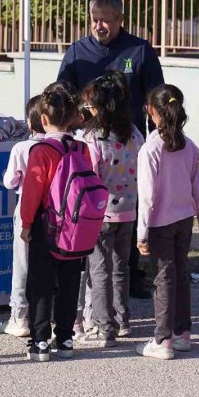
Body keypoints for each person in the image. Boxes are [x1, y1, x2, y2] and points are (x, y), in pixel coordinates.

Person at [57, 0, 165, 299]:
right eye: (94, 19)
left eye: (105, 19)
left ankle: (130, 275)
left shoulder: (139, 51)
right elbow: (62, 92)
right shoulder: (78, 52)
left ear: (120, 19)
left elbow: (155, 96)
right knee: (90, 211)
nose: (99, 25)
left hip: (128, 149)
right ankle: (87, 273)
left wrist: (161, 138)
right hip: (89, 148)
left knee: (126, 213)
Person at [136, 84, 199, 360]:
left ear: (151, 111)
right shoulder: (189, 146)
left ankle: (163, 339)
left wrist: (141, 233)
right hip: (184, 221)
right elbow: (198, 190)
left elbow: (146, 196)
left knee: (163, 279)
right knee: (180, 275)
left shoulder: (151, 149)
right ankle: (182, 334)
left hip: (158, 223)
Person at [19, 84, 87, 362]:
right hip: (76, 226)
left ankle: (40, 341)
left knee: (41, 283)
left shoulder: (41, 150)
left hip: (46, 225)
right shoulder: (82, 148)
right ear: (72, 117)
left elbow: (32, 191)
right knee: (70, 282)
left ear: (43, 120)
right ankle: (66, 339)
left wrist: (25, 223)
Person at [78, 72, 144, 347]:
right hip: (129, 209)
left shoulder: (91, 138)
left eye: (90, 106)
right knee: (121, 267)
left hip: (99, 213)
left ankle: (104, 327)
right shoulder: (134, 133)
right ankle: (122, 319)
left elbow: (88, 177)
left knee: (99, 269)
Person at [1, 96, 46, 338]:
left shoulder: (21, 148)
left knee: (22, 262)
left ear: (29, 123)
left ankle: (19, 316)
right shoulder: (59, 146)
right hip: (54, 209)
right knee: (48, 263)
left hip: (26, 207)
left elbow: (10, 181)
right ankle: (46, 313)